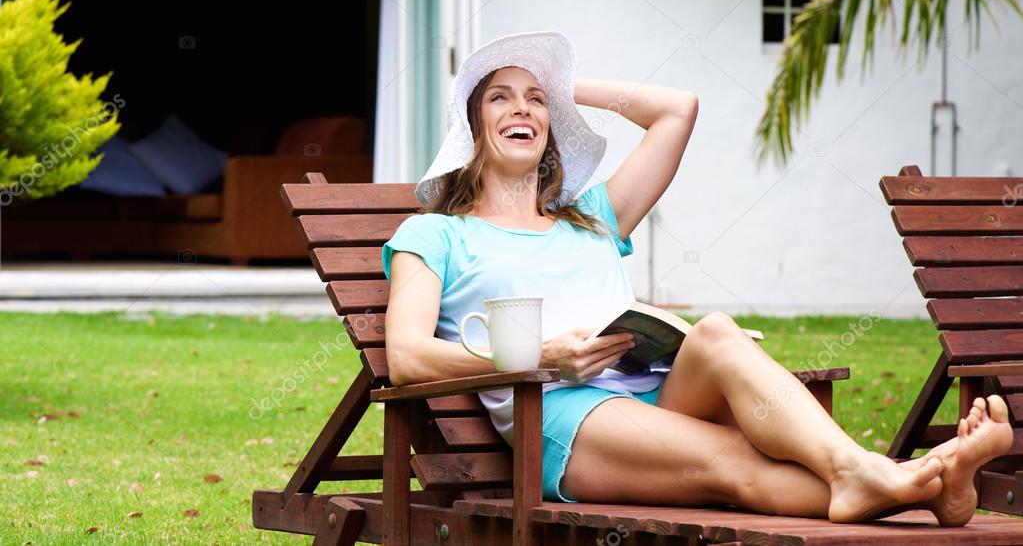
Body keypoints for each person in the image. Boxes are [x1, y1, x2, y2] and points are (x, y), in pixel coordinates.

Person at [381, 31, 1013, 526]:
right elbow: (406, 356)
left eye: (536, 100)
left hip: (650, 388)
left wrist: (564, 85)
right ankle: (919, 483)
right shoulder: (435, 234)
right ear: (472, 129)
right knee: (734, 461)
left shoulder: (592, 218)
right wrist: (538, 355)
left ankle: (894, 479)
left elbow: (677, 110)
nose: (523, 108)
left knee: (714, 331)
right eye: (500, 97)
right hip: (559, 412)